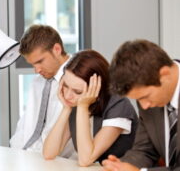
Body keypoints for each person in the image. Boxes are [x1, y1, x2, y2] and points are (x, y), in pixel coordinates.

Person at [43, 50, 138, 166]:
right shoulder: (74, 103)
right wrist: (66, 109)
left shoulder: (119, 106)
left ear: (97, 88)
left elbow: (85, 159)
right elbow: (49, 153)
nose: (68, 95)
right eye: (65, 86)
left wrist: (83, 107)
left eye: (77, 91)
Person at [102, 39, 180, 171]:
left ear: (165, 74)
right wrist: (121, 166)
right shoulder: (148, 102)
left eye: (145, 97)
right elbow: (144, 150)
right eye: (138, 100)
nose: (144, 106)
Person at [10, 24, 74, 157]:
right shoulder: (37, 82)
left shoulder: (77, 79)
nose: (36, 70)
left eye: (40, 61)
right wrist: (16, 153)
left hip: (60, 161)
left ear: (57, 49)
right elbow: (25, 125)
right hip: (27, 157)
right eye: (33, 64)